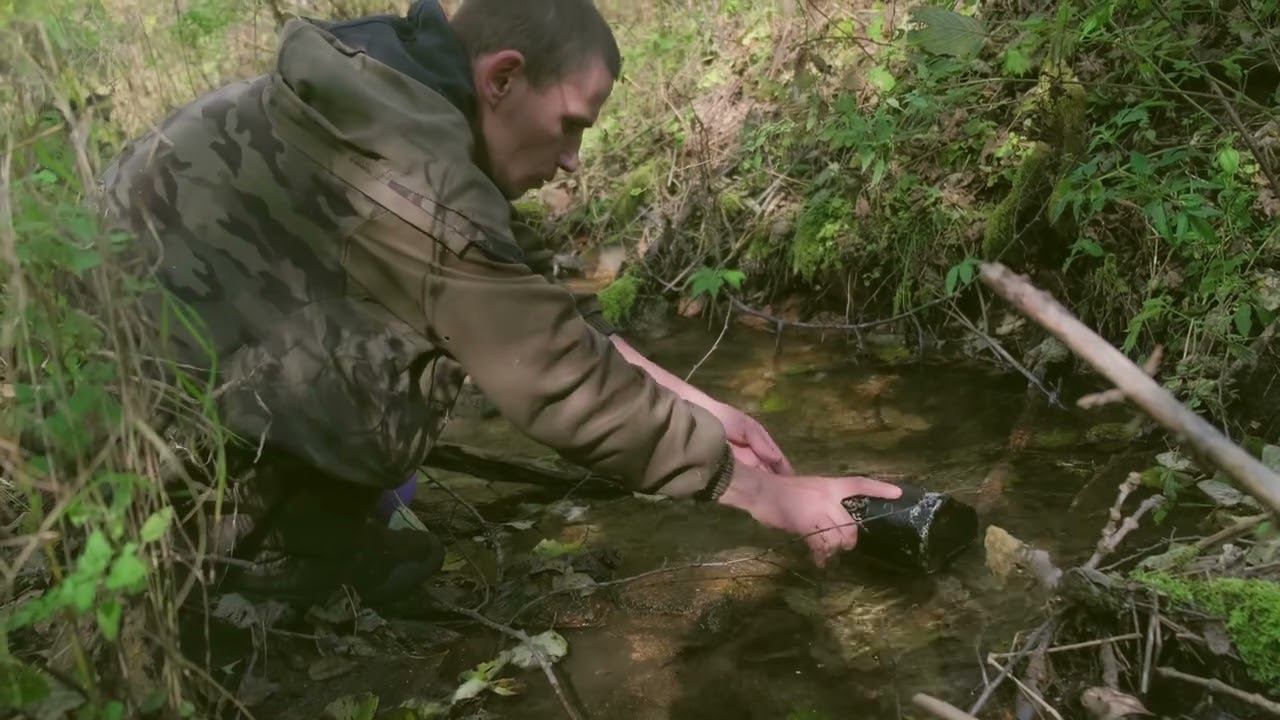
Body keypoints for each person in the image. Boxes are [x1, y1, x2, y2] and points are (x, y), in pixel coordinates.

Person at [100, 0, 900, 606]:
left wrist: (700, 404)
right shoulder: (415, 181)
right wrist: (767, 495)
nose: (573, 161)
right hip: (137, 460)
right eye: (569, 127)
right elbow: (550, 377)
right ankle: (250, 562)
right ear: (503, 77)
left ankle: (297, 514)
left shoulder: (375, 96)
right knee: (401, 430)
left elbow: (517, 299)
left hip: (136, 375)